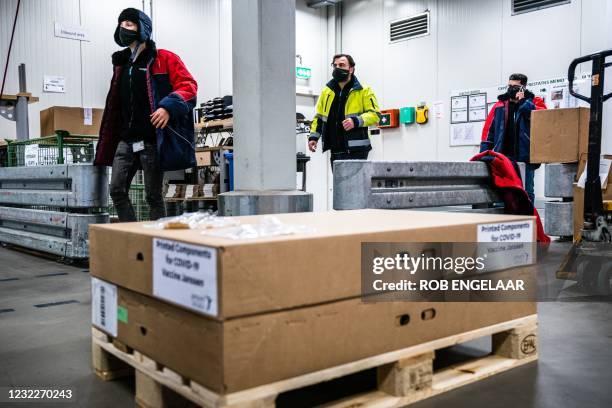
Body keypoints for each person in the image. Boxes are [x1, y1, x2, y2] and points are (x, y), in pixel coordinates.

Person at [94, 8, 197, 221]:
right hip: (126, 139)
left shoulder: (164, 58)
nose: (124, 28)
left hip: (151, 140)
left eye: (129, 24)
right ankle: (132, 234)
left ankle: (156, 241)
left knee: (153, 196)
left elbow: (189, 86)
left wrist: (168, 106)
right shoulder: (122, 65)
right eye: (121, 24)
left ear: (143, 28)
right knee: (117, 190)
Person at [480, 73, 547, 203]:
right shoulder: (499, 105)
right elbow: (489, 130)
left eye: (515, 86)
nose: (511, 89)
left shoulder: (534, 102)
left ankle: (528, 220)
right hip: (504, 156)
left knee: (527, 191)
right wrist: (483, 152)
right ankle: (503, 221)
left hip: (526, 156)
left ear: (523, 87)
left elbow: (542, 119)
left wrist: (523, 102)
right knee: (503, 189)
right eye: (509, 86)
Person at [308, 54, 381, 170]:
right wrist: (313, 137)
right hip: (335, 150)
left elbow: (375, 115)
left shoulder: (363, 90)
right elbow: (320, 117)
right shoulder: (327, 92)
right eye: (335, 65)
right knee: (339, 186)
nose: (337, 68)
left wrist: (355, 121)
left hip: (357, 151)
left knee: (355, 186)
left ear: (351, 69)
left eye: (341, 65)